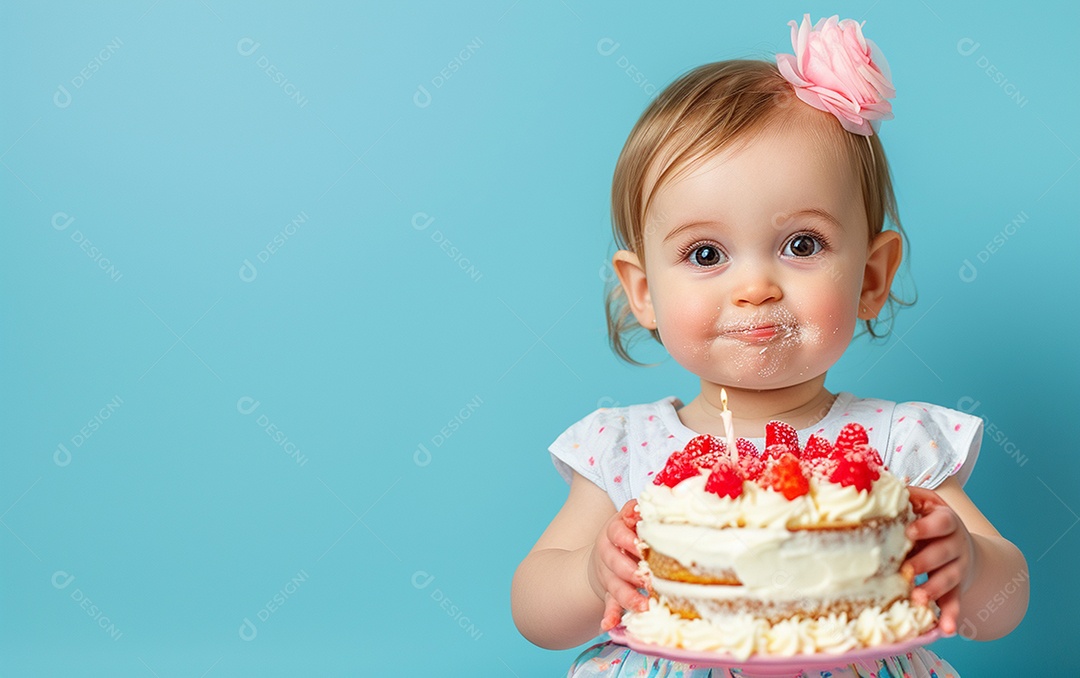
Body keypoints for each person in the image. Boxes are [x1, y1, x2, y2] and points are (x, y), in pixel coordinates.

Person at [511, 14, 1029, 678]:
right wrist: (589, 577)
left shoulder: (900, 444)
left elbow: (1002, 608)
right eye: (706, 253)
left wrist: (972, 563)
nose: (756, 287)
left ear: (871, 277)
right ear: (642, 292)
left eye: (802, 245)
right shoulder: (624, 450)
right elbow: (533, 613)